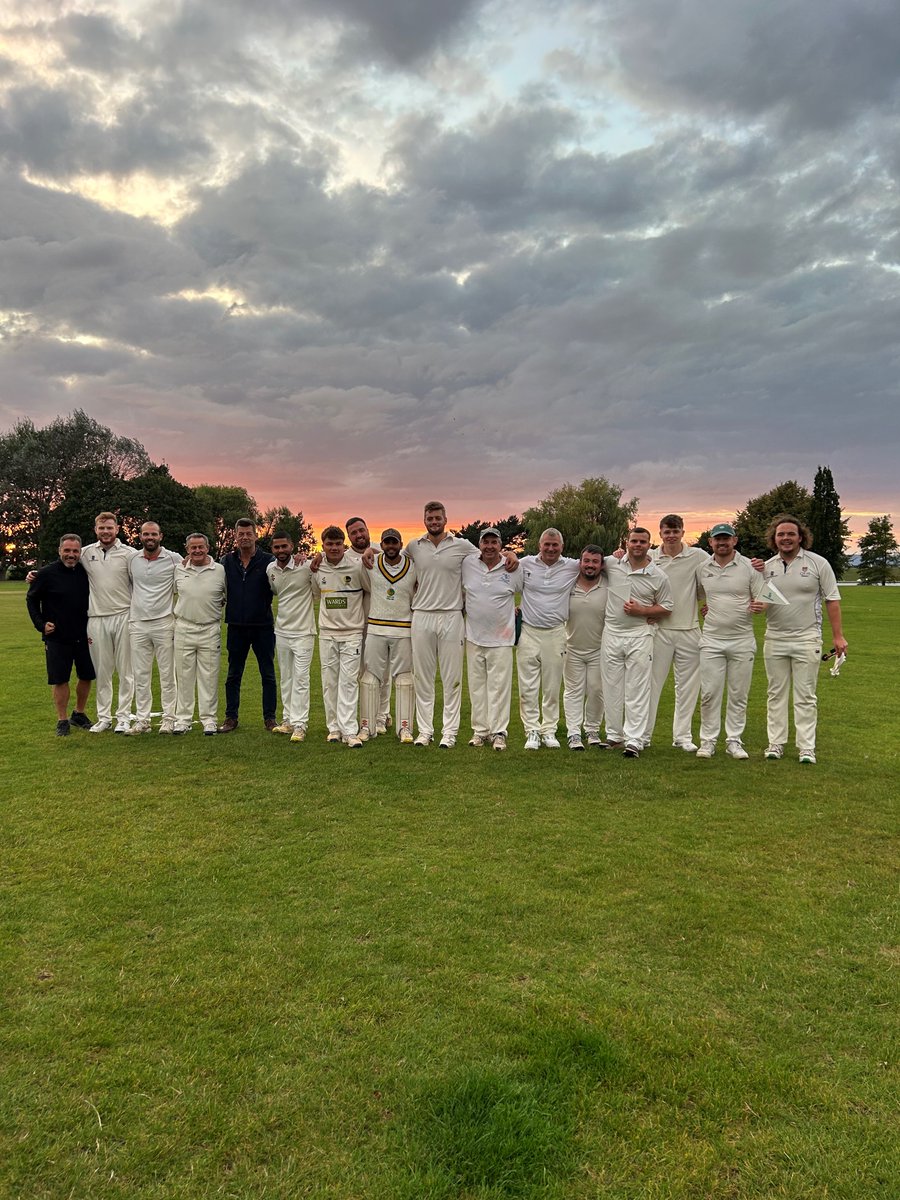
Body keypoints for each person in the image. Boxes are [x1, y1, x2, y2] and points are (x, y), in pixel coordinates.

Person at [759, 514, 847, 764]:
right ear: (774, 538)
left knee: (806, 695)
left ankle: (806, 747)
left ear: (800, 537)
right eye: (781, 534)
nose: (785, 538)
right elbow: (759, 601)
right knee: (775, 693)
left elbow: (832, 599)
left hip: (807, 638)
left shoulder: (818, 563)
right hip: (775, 638)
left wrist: (838, 636)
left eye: (791, 534)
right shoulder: (767, 567)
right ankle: (775, 744)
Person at [403, 502, 480, 748]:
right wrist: (370, 552)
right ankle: (425, 731)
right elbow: (392, 559)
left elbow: (489, 556)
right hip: (422, 615)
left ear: (445, 519)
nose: (434, 522)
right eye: (430, 518)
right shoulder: (414, 546)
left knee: (452, 678)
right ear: (424, 520)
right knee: (423, 677)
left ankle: (449, 732)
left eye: (438, 518)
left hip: (451, 616)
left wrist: (510, 555)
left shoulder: (462, 545)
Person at [601, 527, 674, 757]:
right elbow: (585, 563)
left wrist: (642, 610)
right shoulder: (612, 563)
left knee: (637, 688)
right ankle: (614, 735)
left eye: (642, 542)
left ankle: (634, 739)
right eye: (634, 541)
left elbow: (667, 607)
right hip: (611, 634)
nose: (638, 545)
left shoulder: (658, 575)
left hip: (640, 635)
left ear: (649, 545)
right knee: (611, 687)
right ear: (627, 543)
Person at [695, 524, 766, 760]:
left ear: (734, 540)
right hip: (711, 640)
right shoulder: (703, 568)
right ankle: (708, 741)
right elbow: (698, 595)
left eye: (726, 538)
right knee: (709, 693)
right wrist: (707, 607)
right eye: (717, 539)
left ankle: (734, 741)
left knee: (738, 694)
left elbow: (763, 595)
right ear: (710, 542)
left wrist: (761, 606)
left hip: (742, 640)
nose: (722, 542)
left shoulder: (749, 567)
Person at [644, 514, 708, 751]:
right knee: (650, 686)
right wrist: (619, 554)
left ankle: (682, 737)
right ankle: (643, 736)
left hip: (689, 629)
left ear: (683, 532)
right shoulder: (650, 557)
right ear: (660, 533)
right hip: (658, 631)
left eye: (675, 531)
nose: (671, 535)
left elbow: (714, 578)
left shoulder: (698, 556)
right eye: (667, 532)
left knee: (688, 688)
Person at [517, 528, 582, 749]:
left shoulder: (572, 566)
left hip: (556, 632)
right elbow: (505, 563)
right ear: (540, 545)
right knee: (528, 685)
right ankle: (532, 730)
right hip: (528, 631)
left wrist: (619, 554)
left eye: (555, 545)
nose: (551, 549)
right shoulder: (526, 563)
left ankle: (549, 730)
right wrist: (509, 554)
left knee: (552, 686)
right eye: (547, 544)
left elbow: (598, 562)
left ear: (562, 547)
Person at [26, 534, 95, 736]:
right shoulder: (46, 574)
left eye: (75, 551)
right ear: (59, 551)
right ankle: (62, 719)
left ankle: (79, 713)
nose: (71, 555)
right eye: (67, 550)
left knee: (87, 676)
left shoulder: (86, 572)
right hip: (57, 637)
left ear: (80, 552)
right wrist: (40, 625)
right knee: (60, 679)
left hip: (84, 634)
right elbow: (31, 599)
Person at [461, 528, 524, 751]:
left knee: (499, 688)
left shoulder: (512, 567)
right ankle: (480, 731)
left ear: (500, 545)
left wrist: (511, 555)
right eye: (485, 542)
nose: (489, 546)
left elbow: (528, 592)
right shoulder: (468, 563)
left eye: (494, 542)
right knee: (477, 687)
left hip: (502, 639)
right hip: (474, 637)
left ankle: (499, 732)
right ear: (479, 544)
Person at [79, 512, 137, 733]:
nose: (105, 532)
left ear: (117, 529)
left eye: (109, 528)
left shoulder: (130, 554)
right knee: (102, 672)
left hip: (124, 616)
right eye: (101, 528)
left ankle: (123, 717)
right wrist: (36, 574)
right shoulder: (86, 553)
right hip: (96, 618)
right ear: (96, 530)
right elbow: (63, 564)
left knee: (126, 671)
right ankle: (104, 718)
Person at [311, 526, 369, 747]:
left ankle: (349, 731)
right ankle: (333, 728)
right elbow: (316, 594)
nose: (334, 548)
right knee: (329, 682)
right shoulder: (317, 568)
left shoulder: (356, 567)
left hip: (352, 633)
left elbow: (369, 588)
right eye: (329, 544)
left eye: (338, 544)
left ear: (344, 545)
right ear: (323, 545)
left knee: (348, 682)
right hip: (327, 633)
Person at [358, 529, 417, 743]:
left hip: (404, 629)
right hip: (376, 628)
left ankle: (405, 728)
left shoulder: (413, 566)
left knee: (404, 678)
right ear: (381, 545)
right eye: (387, 543)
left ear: (401, 544)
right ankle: (367, 726)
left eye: (394, 542)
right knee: (371, 676)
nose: (391, 546)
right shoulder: (371, 563)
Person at [219, 518, 276, 732]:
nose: (244, 537)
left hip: (263, 626)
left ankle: (270, 718)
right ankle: (230, 718)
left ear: (255, 535)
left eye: (248, 533)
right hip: (236, 625)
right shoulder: (226, 561)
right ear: (235, 536)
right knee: (233, 674)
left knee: (267, 674)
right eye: (240, 534)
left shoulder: (268, 560)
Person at [127, 521, 182, 734]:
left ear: (161, 536)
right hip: (138, 623)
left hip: (164, 623)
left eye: (153, 534)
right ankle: (143, 720)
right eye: (145, 534)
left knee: (167, 674)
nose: (149, 538)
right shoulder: (133, 559)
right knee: (141, 675)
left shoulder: (173, 558)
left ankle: (169, 719)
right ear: (140, 536)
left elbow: (190, 573)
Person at [173, 533, 226, 735]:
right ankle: (183, 720)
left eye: (200, 547)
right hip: (184, 626)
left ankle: (209, 720)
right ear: (187, 549)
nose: (197, 551)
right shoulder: (178, 569)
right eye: (193, 547)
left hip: (210, 628)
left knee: (209, 676)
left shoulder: (219, 570)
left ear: (207, 548)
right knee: (184, 676)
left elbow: (227, 595)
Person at [267, 531, 316, 742]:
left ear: (292, 546)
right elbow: (275, 591)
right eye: (276, 547)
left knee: (301, 679)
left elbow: (323, 567)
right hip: (282, 632)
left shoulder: (305, 566)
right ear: (272, 549)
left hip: (304, 632)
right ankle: (287, 720)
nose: (281, 550)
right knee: (286, 678)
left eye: (284, 546)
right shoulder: (271, 569)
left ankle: (300, 724)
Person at [562, 545, 608, 750]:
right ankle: (573, 733)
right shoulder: (569, 583)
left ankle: (592, 730)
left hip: (599, 649)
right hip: (572, 647)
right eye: (586, 561)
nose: (590, 565)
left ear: (602, 565)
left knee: (597, 690)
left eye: (595, 562)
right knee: (573, 691)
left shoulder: (608, 584)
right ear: (580, 562)